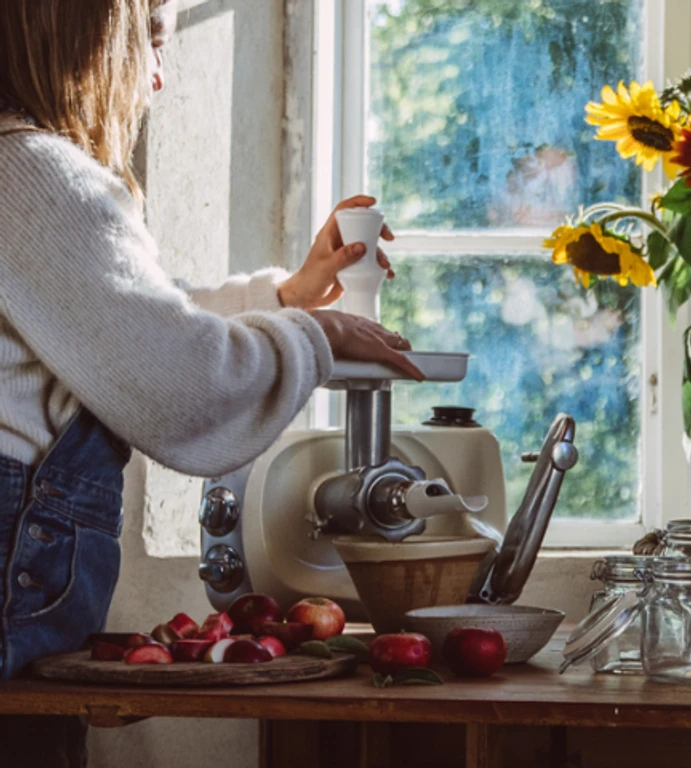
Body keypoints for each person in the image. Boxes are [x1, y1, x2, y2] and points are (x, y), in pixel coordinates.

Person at [0, 0, 419, 764]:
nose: (158, 79)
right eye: (150, 47)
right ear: (90, 42)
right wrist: (317, 336)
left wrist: (285, 297)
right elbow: (181, 383)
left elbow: (127, 318)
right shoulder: (31, 172)